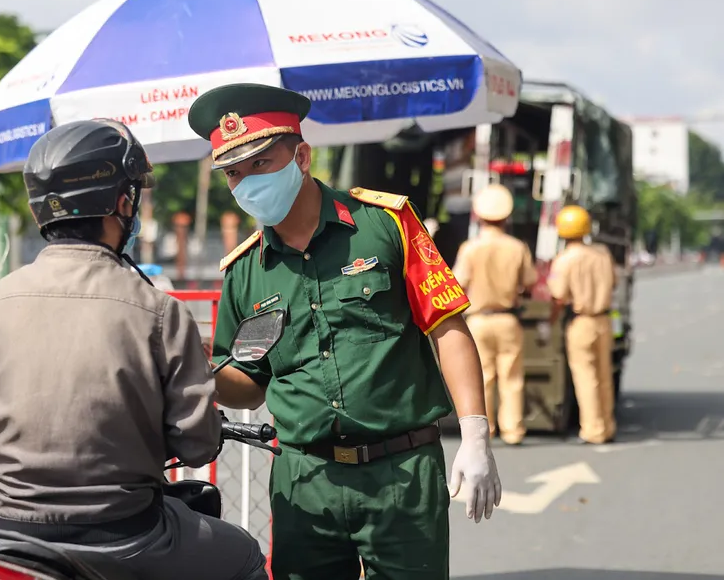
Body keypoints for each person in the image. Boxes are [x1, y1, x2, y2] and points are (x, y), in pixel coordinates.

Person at [188, 83, 502, 580]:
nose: (247, 183)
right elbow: (249, 386)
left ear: (302, 156)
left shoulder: (386, 224)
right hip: (305, 479)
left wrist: (475, 433)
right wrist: (199, 366)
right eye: (233, 174)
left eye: (260, 164)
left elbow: (447, 326)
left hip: (401, 472)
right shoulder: (244, 271)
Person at [0, 119, 268, 580]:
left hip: (6, 536)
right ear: (122, 204)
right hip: (127, 537)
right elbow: (196, 444)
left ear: (41, 213)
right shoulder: (159, 310)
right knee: (245, 555)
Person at [452, 184, 538, 445]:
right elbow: (530, 282)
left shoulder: (470, 248)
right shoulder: (517, 247)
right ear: (507, 216)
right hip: (508, 319)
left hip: (478, 321)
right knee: (511, 377)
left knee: (482, 377)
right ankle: (513, 431)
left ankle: (486, 430)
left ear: (478, 215)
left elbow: (457, 284)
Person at [545, 205, 618, 445]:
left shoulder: (564, 261)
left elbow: (558, 296)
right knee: (605, 376)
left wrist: (551, 321)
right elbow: (614, 283)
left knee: (586, 377)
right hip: (604, 321)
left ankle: (592, 430)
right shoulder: (603, 254)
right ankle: (607, 426)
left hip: (581, 323)